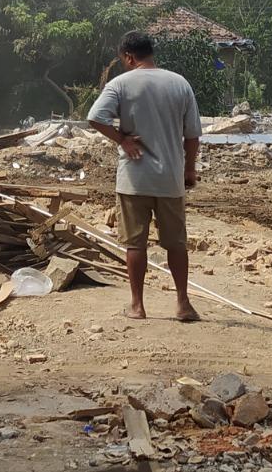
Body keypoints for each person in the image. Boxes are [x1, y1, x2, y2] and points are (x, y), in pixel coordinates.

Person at [86, 31, 203, 321]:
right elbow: (192, 135)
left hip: (134, 178)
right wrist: (189, 169)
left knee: (134, 243)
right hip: (170, 179)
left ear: (128, 56)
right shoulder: (179, 84)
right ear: (151, 53)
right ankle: (183, 304)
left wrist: (122, 140)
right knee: (176, 243)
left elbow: (94, 117)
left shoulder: (121, 84)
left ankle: (137, 306)